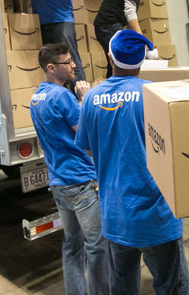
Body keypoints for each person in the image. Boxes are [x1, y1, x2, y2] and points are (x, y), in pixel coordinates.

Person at [75, 30, 189, 295]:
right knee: (170, 286)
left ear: (109, 56)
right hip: (157, 215)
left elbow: (89, 150)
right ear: (141, 62)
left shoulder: (91, 99)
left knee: (123, 286)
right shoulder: (155, 94)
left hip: (116, 215)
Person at [30, 44, 109, 295]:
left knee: (72, 245)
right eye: (67, 62)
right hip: (80, 180)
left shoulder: (36, 97)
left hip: (59, 181)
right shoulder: (62, 96)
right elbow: (85, 131)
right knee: (97, 246)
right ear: (51, 68)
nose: (73, 65)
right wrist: (86, 99)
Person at [6, 0, 86, 86]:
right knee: (52, 67)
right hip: (42, 25)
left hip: (62, 22)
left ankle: (82, 98)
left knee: (70, 63)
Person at [93, 0, 155, 78]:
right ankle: (115, 91)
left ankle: (112, 89)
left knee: (115, 61)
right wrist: (141, 38)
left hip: (107, 25)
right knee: (120, 61)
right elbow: (130, 12)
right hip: (108, 24)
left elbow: (128, 17)